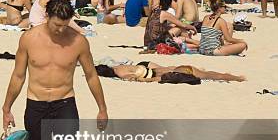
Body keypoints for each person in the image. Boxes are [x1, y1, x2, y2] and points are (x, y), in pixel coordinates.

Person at [2, 0, 108, 140]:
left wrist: (102, 108)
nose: (60, 30)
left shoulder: (78, 42)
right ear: (47, 16)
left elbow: (91, 75)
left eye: (65, 24)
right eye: (56, 25)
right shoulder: (29, 39)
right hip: (36, 104)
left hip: (64, 104)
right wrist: (7, 107)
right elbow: (18, 76)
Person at [95, 62, 246, 82]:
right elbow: (151, 66)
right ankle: (233, 76)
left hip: (177, 72)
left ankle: (238, 78)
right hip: (176, 68)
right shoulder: (120, 66)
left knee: (211, 76)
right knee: (211, 75)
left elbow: (140, 78)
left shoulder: (121, 74)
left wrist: (140, 79)